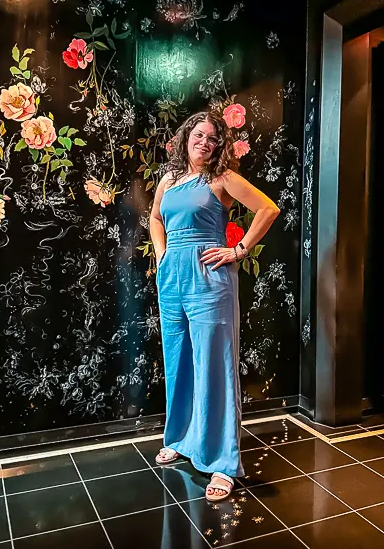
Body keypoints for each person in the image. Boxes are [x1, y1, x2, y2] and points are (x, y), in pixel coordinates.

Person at [149, 110, 280, 502]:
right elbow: (155, 218)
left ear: (219, 146)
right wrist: (162, 256)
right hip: (172, 279)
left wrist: (238, 249)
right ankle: (180, 438)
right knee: (178, 361)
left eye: (212, 139)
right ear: (186, 137)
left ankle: (222, 463)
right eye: (199, 135)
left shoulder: (221, 179)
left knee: (214, 365)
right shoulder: (169, 179)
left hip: (210, 280)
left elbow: (268, 208)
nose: (204, 143)